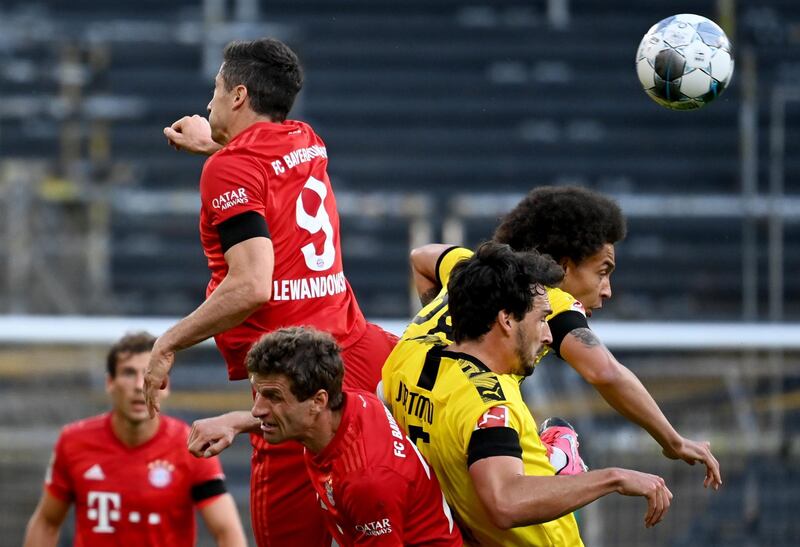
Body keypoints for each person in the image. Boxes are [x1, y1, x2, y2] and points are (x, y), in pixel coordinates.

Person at [143, 37, 397, 546]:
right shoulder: (306, 139)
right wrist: (213, 143)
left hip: (294, 385)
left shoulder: (227, 170)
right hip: (361, 356)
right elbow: (264, 168)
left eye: (215, 90)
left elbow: (252, 284)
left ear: (238, 96)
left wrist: (168, 341)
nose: (209, 101)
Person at [404, 185, 722, 489]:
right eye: (603, 271)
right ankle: (557, 461)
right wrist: (673, 441)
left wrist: (449, 316)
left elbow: (421, 257)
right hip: (461, 417)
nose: (607, 290)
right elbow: (604, 371)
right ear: (563, 267)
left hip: (414, 404)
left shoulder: (472, 269)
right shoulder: (548, 299)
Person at [383, 242, 673, 545]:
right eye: (542, 319)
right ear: (506, 319)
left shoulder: (406, 355)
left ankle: (552, 458)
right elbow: (505, 502)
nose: (548, 335)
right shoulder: (490, 406)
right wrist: (613, 478)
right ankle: (558, 462)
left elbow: (421, 256)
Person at [23, 332, 246, 547]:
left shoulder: (191, 445)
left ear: (164, 385)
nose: (140, 385)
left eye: (149, 373)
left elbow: (227, 531)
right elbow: (46, 523)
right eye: (129, 373)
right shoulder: (73, 441)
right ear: (110, 382)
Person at [247, 326, 462, 546]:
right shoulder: (348, 405)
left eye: (273, 397)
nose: (257, 410)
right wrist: (234, 423)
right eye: (258, 393)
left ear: (318, 401)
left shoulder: (366, 481)